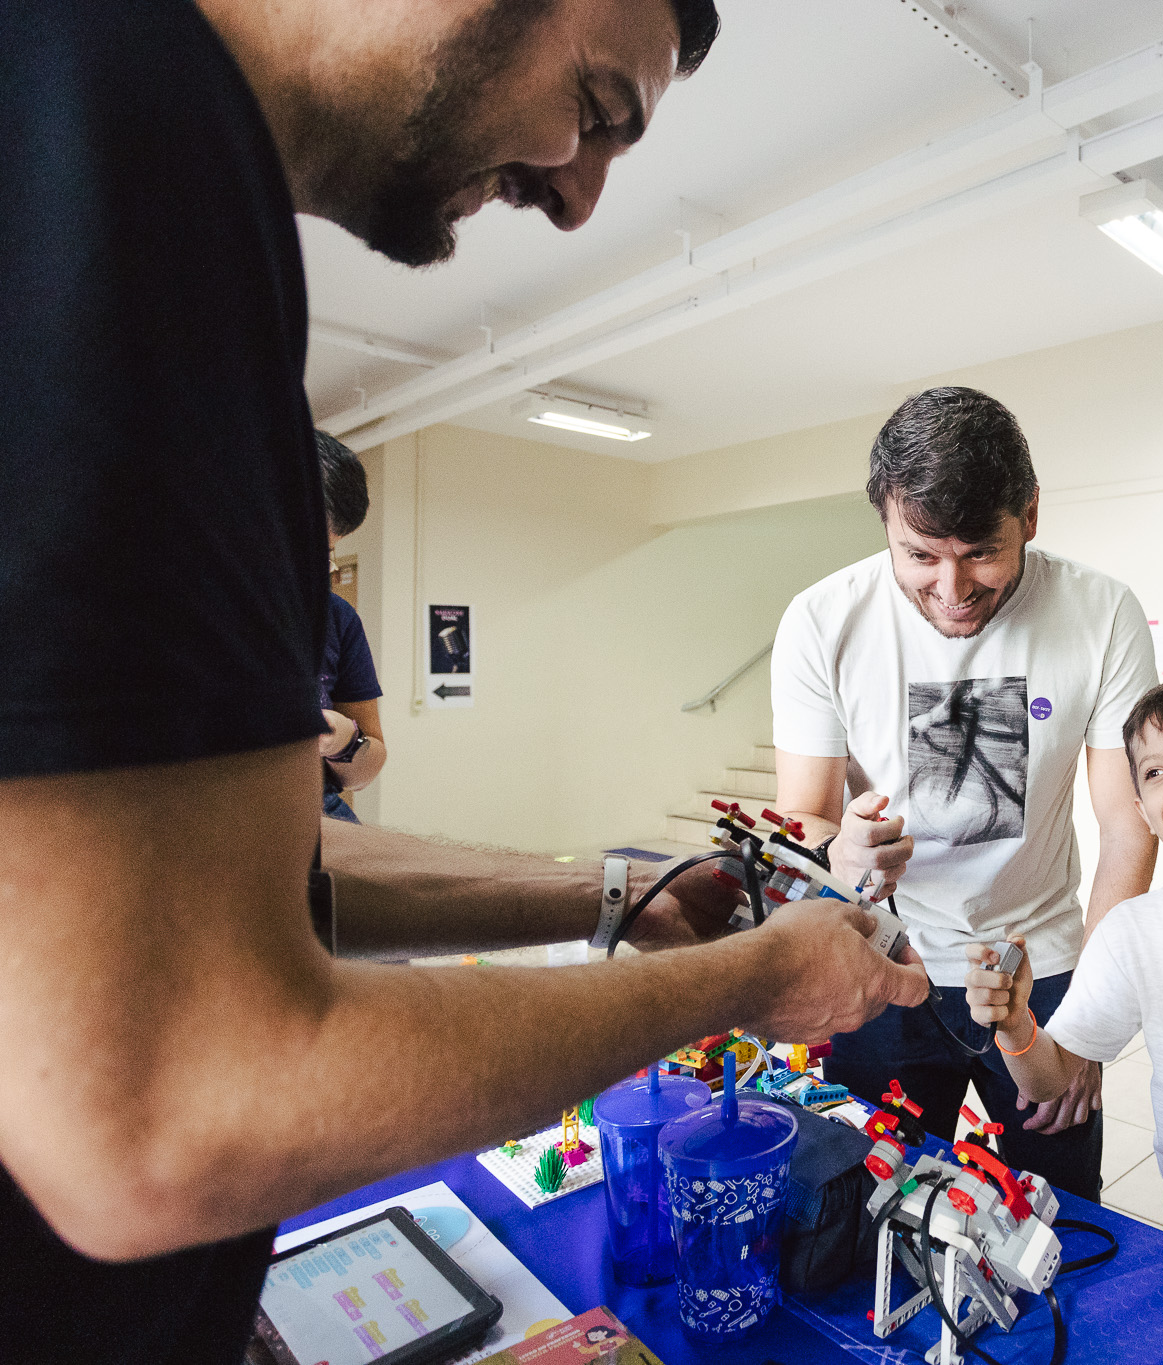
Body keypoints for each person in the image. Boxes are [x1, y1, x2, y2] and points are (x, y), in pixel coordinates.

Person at [0, 4, 926, 1363]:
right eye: (598, 106)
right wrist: (740, 981)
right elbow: (164, 1115)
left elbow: (228, 870)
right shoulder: (124, 134)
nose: (576, 196)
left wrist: (618, 895)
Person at [771, 386, 1160, 1201]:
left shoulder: (1100, 612)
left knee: (1059, 1212)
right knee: (870, 1204)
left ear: (1031, 512)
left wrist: (1089, 1020)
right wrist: (836, 846)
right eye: (920, 555)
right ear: (884, 520)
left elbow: (1128, 827)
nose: (951, 586)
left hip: (1044, 971)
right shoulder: (821, 620)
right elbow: (800, 817)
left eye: (981, 550)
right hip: (882, 965)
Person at [965, 677, 1163, 1251]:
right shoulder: (1133, 933)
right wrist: (1016, 1025)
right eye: (1156, 773)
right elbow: (1052, 1079)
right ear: (1144, 811)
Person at [315, 432, 386, 822]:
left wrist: (342, 739)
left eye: (326, 551)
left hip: (320, 819)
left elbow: (369, 765)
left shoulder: (337, 619)